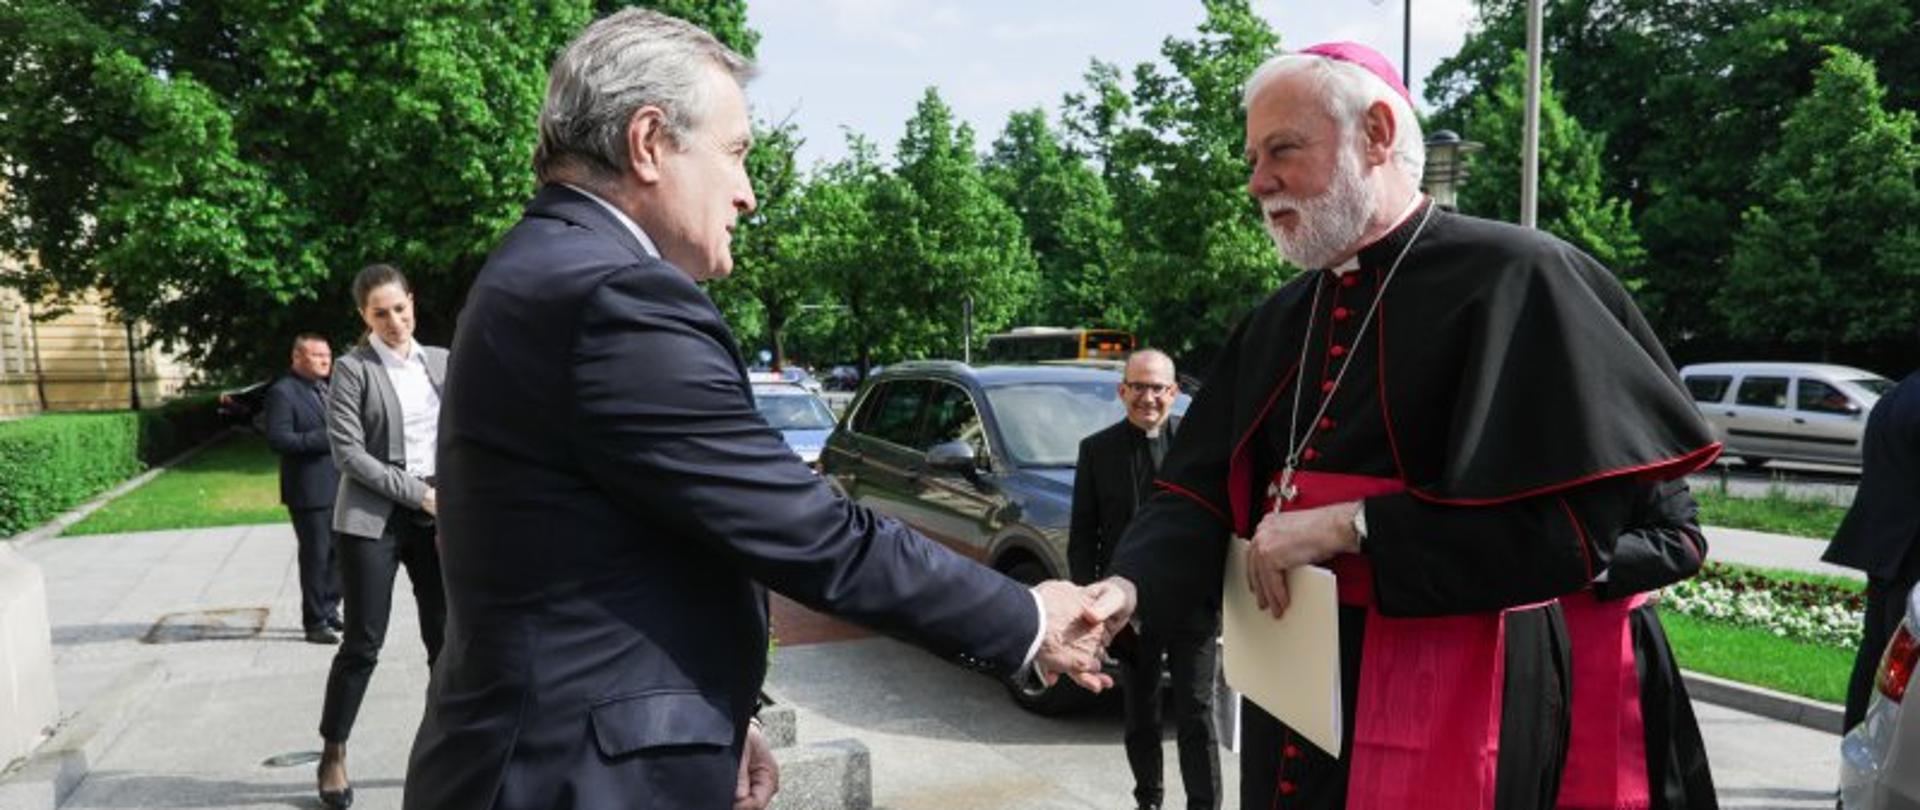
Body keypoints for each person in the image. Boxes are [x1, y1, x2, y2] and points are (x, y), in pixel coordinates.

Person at [402, 10, 1111, 810]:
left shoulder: (546, 268)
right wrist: (1023, 616)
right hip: (575, 778)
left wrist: (711, 711)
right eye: (737, 154)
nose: (748, 194)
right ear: (648, 142)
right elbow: (812, 532)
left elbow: (594, 557)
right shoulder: (616, 297)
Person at [1083, 42, 1720, 810]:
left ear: (1377, 134)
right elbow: (1195, 492)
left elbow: (1566, 536)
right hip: (1290, 692)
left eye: (1282, 148)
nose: (1257, 181)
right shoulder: (1279, 318)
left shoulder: (1520, 278)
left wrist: (1349, 526)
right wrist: (1125, 586)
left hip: (1454, 678)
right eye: (1253, 156)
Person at [317, 263, 450, 810]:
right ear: (363, 316)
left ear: (412, 302)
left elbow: (467, 432)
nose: (394, 321)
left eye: (400, 308)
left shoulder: (442, 362)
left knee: (447, 643)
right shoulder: (352, 370)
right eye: (380, 313)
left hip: (441, 513)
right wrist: (417, 493)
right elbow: (347, 454)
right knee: (362, 643)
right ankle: (333, 752)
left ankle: (445, 752)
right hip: (374, 519)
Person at [1071, 349, 1218, 810]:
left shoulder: (1197, 449)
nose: (1148, 397)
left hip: (1191, 606)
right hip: (1126, 615)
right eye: (1138, 386)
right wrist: (1089, 611)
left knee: (1196, 716)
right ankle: (1148, 801)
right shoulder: (1096, 450)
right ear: (1122, 391)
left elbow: (1217, 526)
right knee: (1140, 715)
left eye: (1158, 388)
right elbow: (1083, 538)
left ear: (1174, 393)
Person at [1558, 479, 1719, 810]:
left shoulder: (1628, 431)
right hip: (1496, 648)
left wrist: (1576, 558)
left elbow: (1682, 542)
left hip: (1606, 646)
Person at [1824, 365, 1920, 732]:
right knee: (1901, 676)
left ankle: (1854, 769)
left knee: (1875, 658)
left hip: (1886, 548)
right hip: (1911, 553)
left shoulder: (1896, 395)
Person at [264, 332, 344, 646]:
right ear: (297, 358)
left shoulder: (327, 388)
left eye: (327, 354)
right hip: (309, 491)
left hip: (339, 486)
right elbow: (279, 439)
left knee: (341, 555)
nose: (326, 360)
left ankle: (329, 607)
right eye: (317, 355)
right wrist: (327, 438)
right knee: (316, 557)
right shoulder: (283, 393)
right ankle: (314, 622)